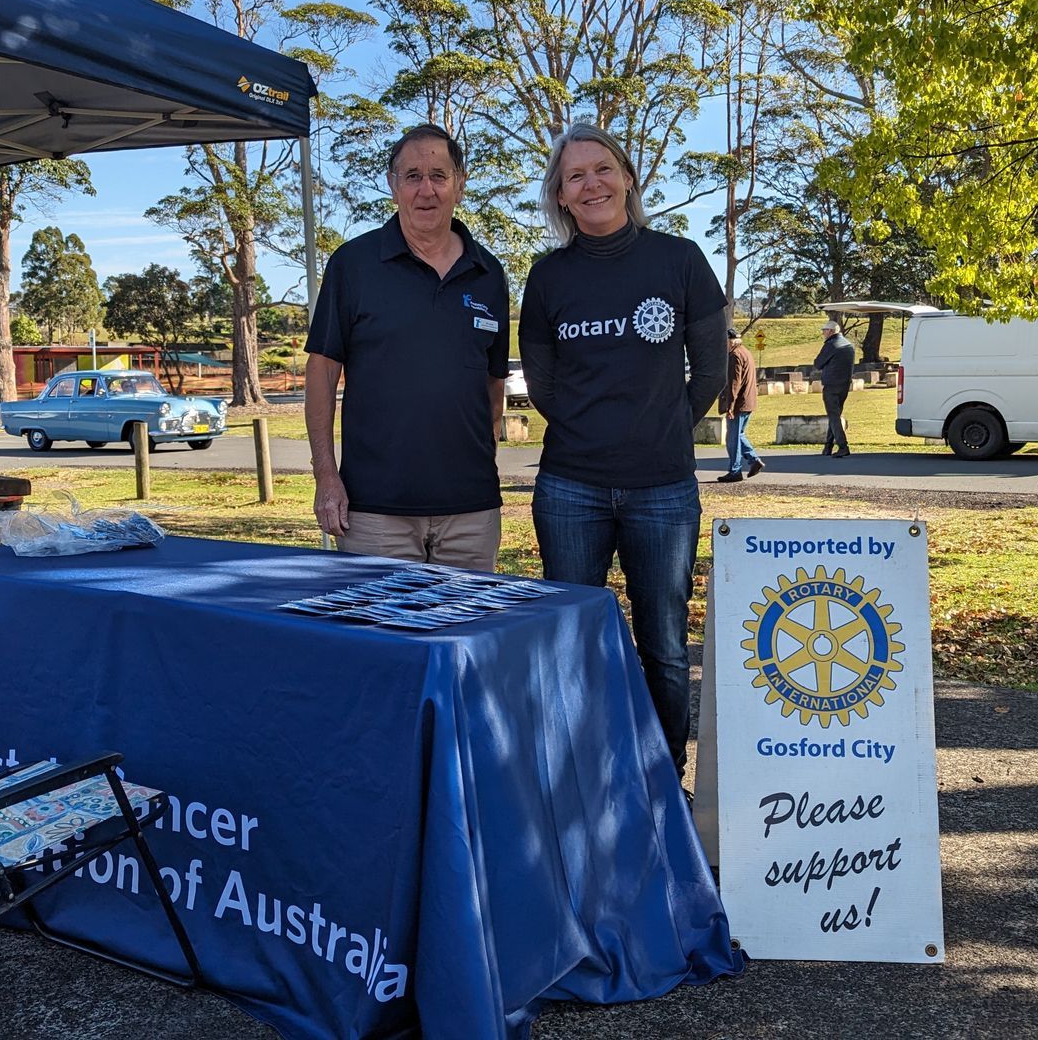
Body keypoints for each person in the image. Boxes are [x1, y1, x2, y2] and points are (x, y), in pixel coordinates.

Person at [519, 122, 727, 777]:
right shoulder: (548, 277)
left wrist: (661, 428)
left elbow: (713, 369)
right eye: (575, 175)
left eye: (602, 169)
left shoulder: (680, 260)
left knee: (663, 643)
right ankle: (579, 773)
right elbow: (543, 380)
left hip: (662, 488)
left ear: (628, 177)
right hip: (570, 488)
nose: (592, 183)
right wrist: (591, 430)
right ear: (560, 196)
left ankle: (664, 775)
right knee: (569, 639)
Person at [303, 123, 510, 571]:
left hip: (471, 512)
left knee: (465, 636)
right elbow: (321, 371)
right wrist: (326, 476)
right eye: (412, 175)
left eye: (439, 175)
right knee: (381, 639)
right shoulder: (354, 265)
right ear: (392, 185)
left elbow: (493, 384)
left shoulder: (489, 273)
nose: (426, 189)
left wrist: (484, 460)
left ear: (460, 183)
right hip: (376, 511)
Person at [715, 326, 764, 482]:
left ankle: (735, 470)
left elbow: (734, 383)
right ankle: (753, 460)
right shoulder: (745, 352)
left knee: (733, 439)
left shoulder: (735, 355)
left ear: (730, 341)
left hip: (739, 403)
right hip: (747, 401)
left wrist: (730, 405)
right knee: (739, 435)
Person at [815, 319, 855, 458]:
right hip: (844, 384)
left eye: (824, 331)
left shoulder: (831, 345)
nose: (823, 333)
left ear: (831, 331)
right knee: (835, 416)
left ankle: (843, 446)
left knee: (833, 416)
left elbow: (818, 363)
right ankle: (828, 446)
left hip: (831, 384)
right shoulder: (848, 345)